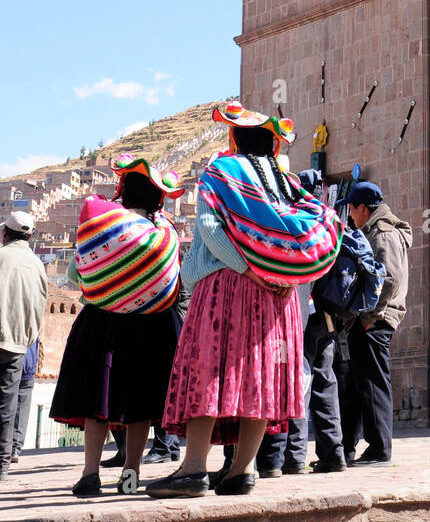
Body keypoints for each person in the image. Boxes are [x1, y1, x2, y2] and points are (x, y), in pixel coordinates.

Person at [148, 101, 342, 499]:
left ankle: (193, 470)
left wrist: (247, 269)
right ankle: (242, 470)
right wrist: (277, 274)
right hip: (279, 296)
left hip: (227, 287)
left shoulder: (221, 172)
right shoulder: (287, 183)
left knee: (210, 368)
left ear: (235, 138)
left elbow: (210, 231)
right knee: (262, 374)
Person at [50, 156, 184, 497]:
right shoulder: (163, 234)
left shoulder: (101, 227)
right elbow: (173, 280)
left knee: (99, 401)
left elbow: (77, 275)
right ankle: (131, 476)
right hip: (148, 328)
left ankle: (90, 475)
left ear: (123, 192)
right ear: (158, 198)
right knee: (139, 406)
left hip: (101, 324)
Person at [341, 182, 412, 468]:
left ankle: (380, 448)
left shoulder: (382, 233)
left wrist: (369, 318)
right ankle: (353, 445)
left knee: (373, 383)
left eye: (352, 209)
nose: (350, 215)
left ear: (363, 208)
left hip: (377, 319)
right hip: (369, 318)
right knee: (360, 384)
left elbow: (389, 279)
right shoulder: (372, 230)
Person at [282, 170, 347, 475]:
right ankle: (334, 453)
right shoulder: (330, 222)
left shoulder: (298, 223)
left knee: (298, 380)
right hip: (329, 316)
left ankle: (293, 455)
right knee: (324, 381)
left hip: (304, 314)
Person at [0, 211, 47, 481]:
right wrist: (27, 337)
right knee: (7, 407)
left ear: (5, 233)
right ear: (29, 236)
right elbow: (39, 306)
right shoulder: (37, 264)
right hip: (18, 344)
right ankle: (2, 466)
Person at [11, 337, 39, 463]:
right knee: (22, 409)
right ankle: (15, 449)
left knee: (6, 406)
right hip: (28, 363)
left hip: (11, 361)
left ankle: (9, 449)